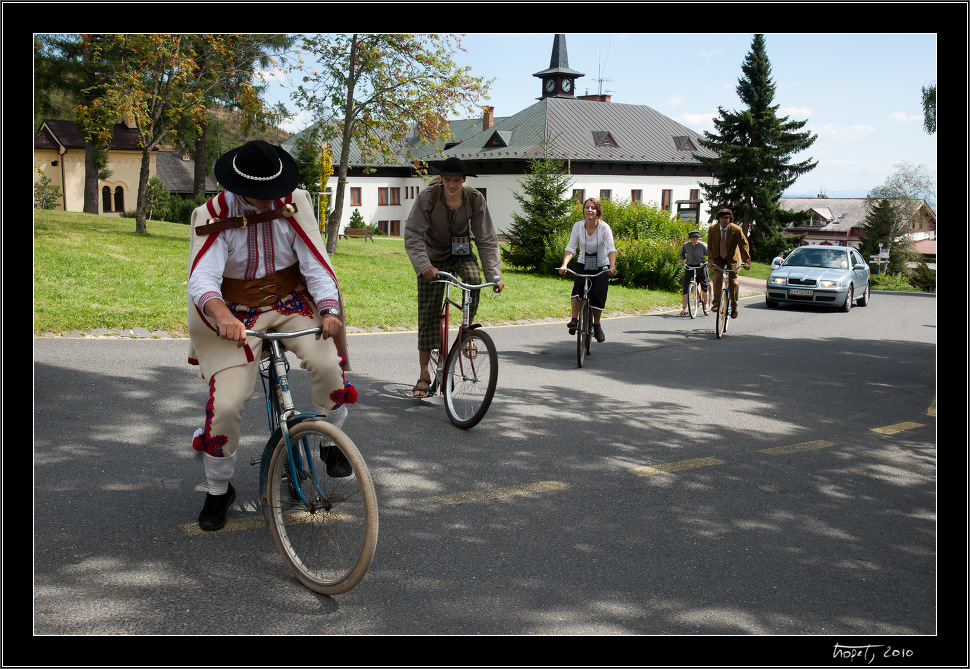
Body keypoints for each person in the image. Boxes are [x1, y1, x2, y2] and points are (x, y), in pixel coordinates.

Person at [186, 140, 356, 531]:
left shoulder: (294, 202)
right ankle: (217, 489)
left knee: (328, 363)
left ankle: (330, 442)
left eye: (273, 192)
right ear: (238, 188)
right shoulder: (211, 214)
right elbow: (202, 279)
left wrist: (328, 309)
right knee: (227, 404)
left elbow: (316, 263)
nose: (270, 201)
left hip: (289, 303)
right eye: (260, 196)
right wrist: (221, 313)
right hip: (236, 316)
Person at [404, 157, 504, 398]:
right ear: (442, 180)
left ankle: (467, 332)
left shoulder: (474, 199)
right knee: (428, 313)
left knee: (472, 279)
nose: (452, 184)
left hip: (461, 252)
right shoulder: (428, 198)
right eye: (447, 179)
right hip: (432, 257)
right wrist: (423, 265)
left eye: (456, 180)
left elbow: (486, 237)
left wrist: (494, 274)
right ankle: (424, 373)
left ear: (463, 180)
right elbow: (413, 234)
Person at [557, 197, 617, 342]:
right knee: (577, 288)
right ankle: (574, 320)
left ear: (598, 211)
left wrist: (612, 267)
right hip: (583, 263)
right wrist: (565, 264)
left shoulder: (604, 228)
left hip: (601, 265)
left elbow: (611, 249)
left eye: (593, 208)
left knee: (597, 295)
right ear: (583, 210)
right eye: (587, 207)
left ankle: (596, 325)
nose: (590, 210)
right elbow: (571, 248)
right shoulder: (578, 226)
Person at [706, 207, 751, 318]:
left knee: (733, 281)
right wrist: (710, 260)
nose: (724, 220)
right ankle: (716, 303)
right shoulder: (712, 229)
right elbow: (710, 246)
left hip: (732, 258)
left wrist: (746, 261)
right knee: (717, 277)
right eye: (722, 218)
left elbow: (743, 245)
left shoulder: (736, 229)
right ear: (718, 219)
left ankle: (734, 305)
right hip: (718, 257)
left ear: (730, 219)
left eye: (727, 218)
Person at [679, 230, 710, 316]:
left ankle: (706, 305)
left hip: (701, 266)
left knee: (704, 286)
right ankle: (684, 309)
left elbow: (710, 254)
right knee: (686, 287)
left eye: (696, 238)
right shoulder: (686, 245)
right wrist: (682, 261)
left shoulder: (703, 245)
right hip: (690, 266)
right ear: (690, 239)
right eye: (693, 238)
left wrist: (710, 262)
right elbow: (682, 254)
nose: (695, 240)